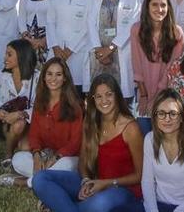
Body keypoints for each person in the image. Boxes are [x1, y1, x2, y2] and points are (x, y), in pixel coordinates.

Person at [33, 73, 144, 211]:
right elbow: (83, 163)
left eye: (109, 94)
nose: (104, 100)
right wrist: (85, 181)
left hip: (122, 189)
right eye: (98, 96)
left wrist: (105, 184)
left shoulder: (131, 128)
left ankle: (61, 205)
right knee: (40, 179)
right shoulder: (91, 123)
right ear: (93, 99)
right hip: (94, 183)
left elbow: (140, 176)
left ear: (117, 95)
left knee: (100, 204)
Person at [112, 89, 184, 212]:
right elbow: (147, 182)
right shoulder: (150, 139)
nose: (167, 119)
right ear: (155, 117)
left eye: (173, 113)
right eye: (161, 113)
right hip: (158, 205)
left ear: (181, 117)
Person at [0, 57, 83, 188]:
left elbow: (76, 142)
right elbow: (34, 134)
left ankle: (26, 182)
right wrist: (37, 155)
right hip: (45, 154)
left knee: (67, 166)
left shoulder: (74, 105)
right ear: (43, 77)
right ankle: (46, 179)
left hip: (67, 157)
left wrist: (56, 158)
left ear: (65, 78)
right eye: (49, 74)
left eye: (58, 74)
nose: (53, 79)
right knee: (18, 159)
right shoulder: (40, 101)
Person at [87, 0, 141, 98]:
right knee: (101, 96)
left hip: (121, 51)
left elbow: (133, 23)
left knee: (122, 99)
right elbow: (90, 22)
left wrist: (110, 48)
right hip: (99, 55)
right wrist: (99, 50)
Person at [131, 0, 184, 133]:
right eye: (154, 5)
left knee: (163, 136)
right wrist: (143, 95)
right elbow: (137, 65)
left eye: (163, 5)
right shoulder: (136, 30)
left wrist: (156, 98)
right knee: (144, 134)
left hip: (165, 93)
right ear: (147, 7)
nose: (159, 9)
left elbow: (171, 69)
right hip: (143, 92)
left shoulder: (177, 33)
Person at [47, 0, 97, 93]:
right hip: (57, 50)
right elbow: (50, 21)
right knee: (55, 90)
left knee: (76, 91)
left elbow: (89, 26)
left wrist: (71, 49)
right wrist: (55, 46)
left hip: (79, 51)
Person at [0, 38, 40, 165]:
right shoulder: (1, 76)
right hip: (6, 120)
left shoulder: (37, 77)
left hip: (29, 122)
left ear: (21, 56)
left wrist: (21, 114)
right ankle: (8, 154)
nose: (5, 58)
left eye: (9, 54)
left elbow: (39, 107)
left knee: (24, 146)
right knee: (18, 125)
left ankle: (17, 144)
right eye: (5, 54)